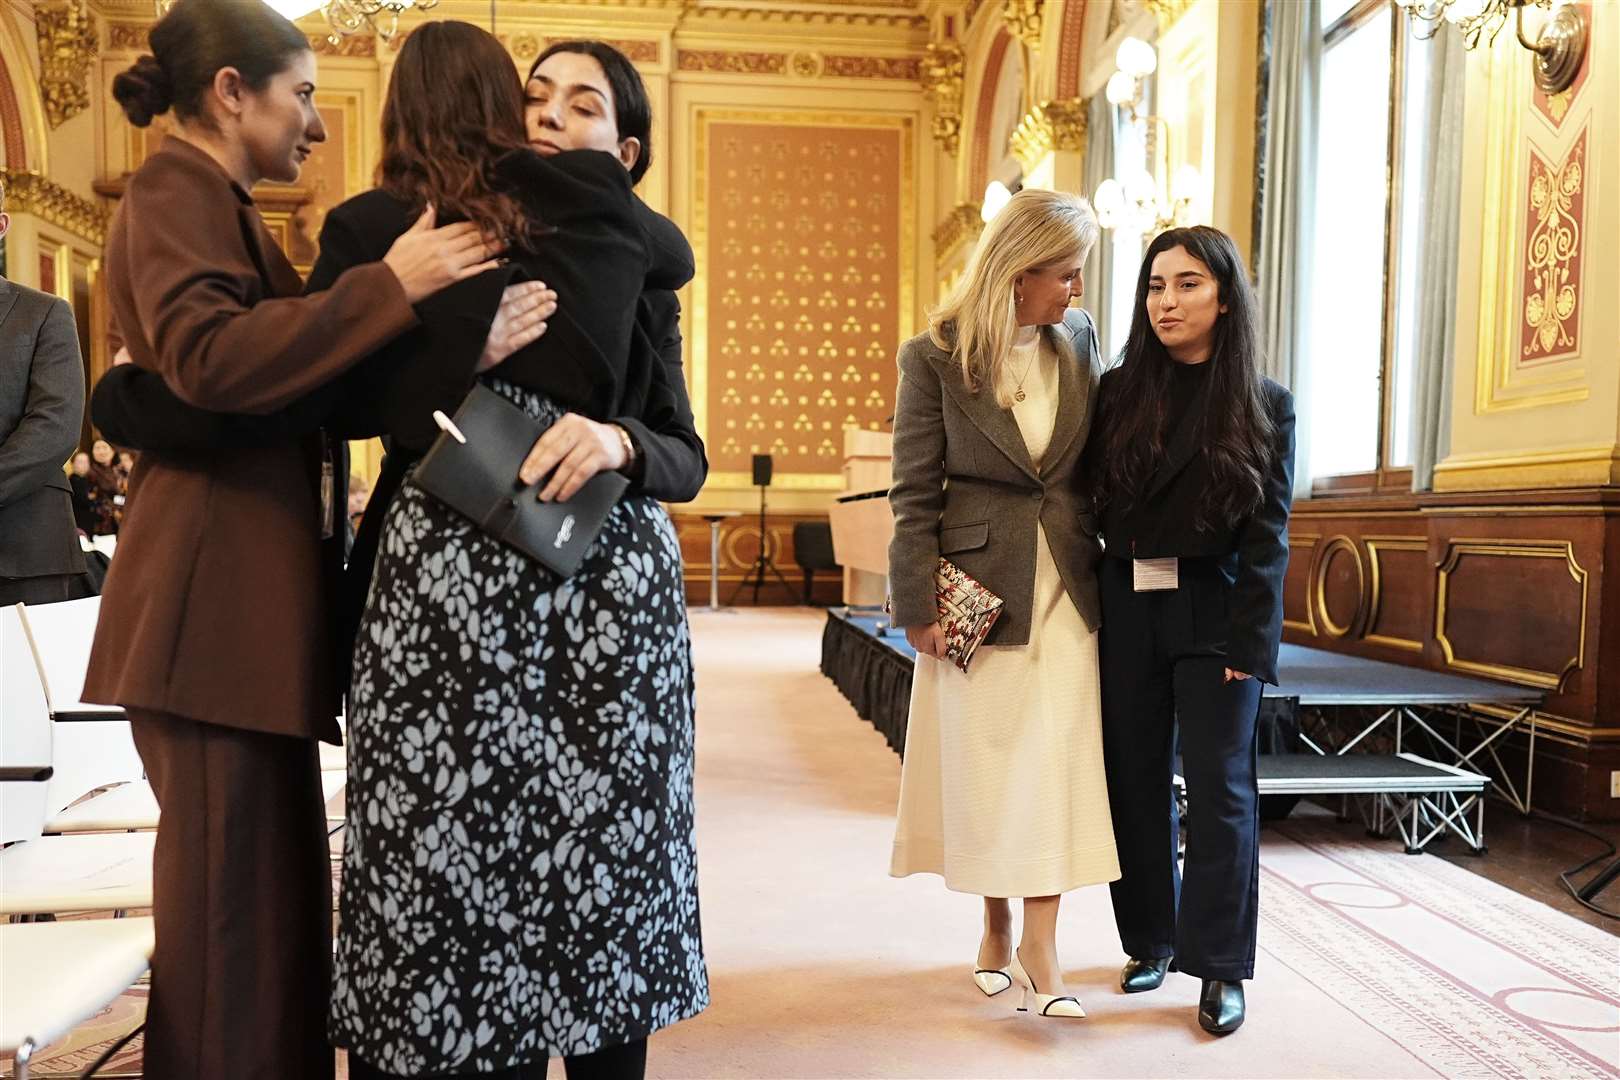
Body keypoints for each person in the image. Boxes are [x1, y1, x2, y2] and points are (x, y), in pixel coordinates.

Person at [79, 3, 544, 1076]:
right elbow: (212, 359)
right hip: (211, 611)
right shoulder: (173, 190)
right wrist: (397, 285)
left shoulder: (215, 200)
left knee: (270, 916)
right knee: (230, 930)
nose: (319, 128)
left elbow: (263, 384)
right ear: (231, 91)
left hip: (242, 611)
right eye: (301, 96)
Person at [325, 26, 707, 1079]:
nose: (549, 113)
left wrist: (618, 438)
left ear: (628, 150)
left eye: (584, 105)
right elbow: (351, 401)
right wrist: (464, 344)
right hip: (447, 605)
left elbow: (687, 452)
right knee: (451, 878)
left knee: (605, 872)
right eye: (536, 94)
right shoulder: (431, 230)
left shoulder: (638, 266)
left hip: (603, 608)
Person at [887, 188, 1117, 1019]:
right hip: (978, 595)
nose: (1078, 291)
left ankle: (1043, 944)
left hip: (1070, 583)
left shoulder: (1081, 342)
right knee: (990, 765)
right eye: (1067, 274)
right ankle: (993, 924)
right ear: (1018, 274)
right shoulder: (936, 356)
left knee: (1058, 762)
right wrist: (918, 604)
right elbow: (913, 492)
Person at [1085, 225, 1295, 1036]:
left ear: (1223, 296)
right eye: (1154, 286)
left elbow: (1269, 534)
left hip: (1218, 611)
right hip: (1128, 605)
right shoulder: (1116, 391)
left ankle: (1219, 967)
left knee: (1221, 794)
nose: (1166, 302)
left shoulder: (1262, 400)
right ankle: (1150, 938)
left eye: (1187, 286)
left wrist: (1254, 647)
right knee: (1131, 783)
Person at [0, 177, 87, 607]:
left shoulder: (45, 313)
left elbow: (55, 426)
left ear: (0, 225)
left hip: (24, 548)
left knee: (21, 675)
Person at [84, 438, 124, 535]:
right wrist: (114, 510)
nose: (101, 451)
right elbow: (92, 497)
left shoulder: (119, 471)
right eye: (97, 448)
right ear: (92, 452)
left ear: (113, 450)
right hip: (102, 521)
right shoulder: (90, 472)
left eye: (104, 447)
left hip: (123, 517)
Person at [69, 450, 96, 535]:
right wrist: (92, 498)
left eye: (86, 462)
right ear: (73, 464)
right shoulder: (72, 481)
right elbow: (83, 500)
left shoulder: (90, 480)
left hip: (90, 521)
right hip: (78, 522)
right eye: (80, 462)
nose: (84, 464)